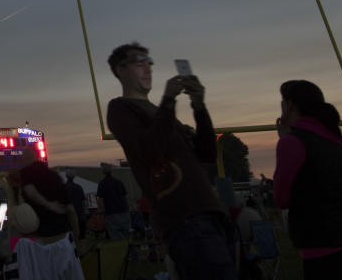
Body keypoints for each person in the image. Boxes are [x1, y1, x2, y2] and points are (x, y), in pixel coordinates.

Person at [105, 42, 235, 280]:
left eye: (149, 62)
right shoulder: (120, 108)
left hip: (210, 211)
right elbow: (150, 151)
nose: (147, 68)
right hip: (183, 217)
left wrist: (199, 106)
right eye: (138, 61)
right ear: (120, 70)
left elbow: (206, 153)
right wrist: (168, 100)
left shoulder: (161, 113)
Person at [273, 80, 342, 279]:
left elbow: (281, 198)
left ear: (290, 105)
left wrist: (284, 139)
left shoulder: (293, 142)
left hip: (325, 253)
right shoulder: (336, 143)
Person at [95, 163, 130, 240]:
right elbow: (125, 197)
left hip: (111, 213)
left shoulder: (102, 183)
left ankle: (121, 250)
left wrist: (100, 211)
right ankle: (129, 250)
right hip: (124, 211)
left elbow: (100, 199)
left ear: (103, 172)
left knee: (115, 235)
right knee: (126, 234)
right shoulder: (119, 182)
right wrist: (128, 208)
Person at [64, 172, 87, 239]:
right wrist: (85, 212)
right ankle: (82, 248)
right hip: (80, 215)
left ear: (66, 176)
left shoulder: (64, 188)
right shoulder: (79, 187)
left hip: (69, 216)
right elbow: (83, 202)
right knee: (81, 236)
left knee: (71, 236)